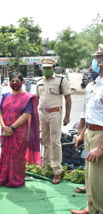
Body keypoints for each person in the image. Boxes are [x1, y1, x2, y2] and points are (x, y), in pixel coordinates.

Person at [0, 72, 40, 188]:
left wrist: (12, 127)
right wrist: (4, 126)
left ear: (22, 82)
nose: (14, 83)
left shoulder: (27, 97)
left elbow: (26, 114)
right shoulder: (6, 96)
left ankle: (15, 179)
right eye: (12, 81)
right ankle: (3, 177)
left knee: (17, 155)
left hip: (18, 132)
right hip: (5, 130)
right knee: (5, 153)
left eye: (17, 81)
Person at [71, 44, 103, 214]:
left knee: (99, 177)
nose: (96, 61)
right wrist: (81, 134)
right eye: (96, 57)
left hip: (101, 135)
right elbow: (88, 114)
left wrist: (100, 147)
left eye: (99, 57)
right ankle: (91, 208)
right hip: (90, 132)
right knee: (89, 175)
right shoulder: (94, 84)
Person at [36, 57, 71, 184]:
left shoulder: (61, 80)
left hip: (55, 113)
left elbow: (68, 99)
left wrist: (67, 116)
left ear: (53, 68)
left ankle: (57, 170)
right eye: (44, 68)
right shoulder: (39, 82)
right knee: (45, 141)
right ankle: (46, 166)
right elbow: (36, 99)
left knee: (55, 141)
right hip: (43, 114)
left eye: (48, 68)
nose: (46, 71)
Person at [74, 71, 98, 194]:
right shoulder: (90, 87)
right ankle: (87, 186)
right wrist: (81, 132)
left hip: (99, 133)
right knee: (86, 159)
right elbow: (86, 112)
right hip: (88, 129)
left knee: (97, 167)